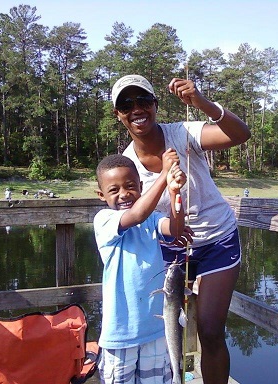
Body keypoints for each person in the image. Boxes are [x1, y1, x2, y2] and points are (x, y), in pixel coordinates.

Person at [111, 74, 251, 384]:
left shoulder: (183, 133)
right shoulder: (127, 163)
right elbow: (131, 213)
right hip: (169, 249)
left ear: (155, 105)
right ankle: (174, 377)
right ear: (118, 114)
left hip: (217, 239)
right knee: (163, 330)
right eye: (126, 104)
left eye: (144, 101)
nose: (137, 109)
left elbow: (240, 134)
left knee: (211, 330)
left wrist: (201, 103)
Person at [93, 149, 187, 384]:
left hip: (155, 330)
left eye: (130, 186)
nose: (124, 194)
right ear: (101, 195)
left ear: (141, 186)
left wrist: (175, 192)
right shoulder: (104, 220)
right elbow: (135, 215)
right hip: (120, 335)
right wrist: (164, 175)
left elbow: (175, 230)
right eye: (114, 190)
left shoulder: (153, 219)